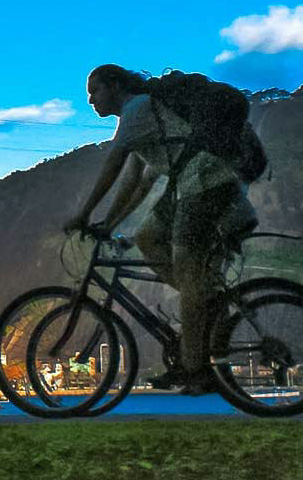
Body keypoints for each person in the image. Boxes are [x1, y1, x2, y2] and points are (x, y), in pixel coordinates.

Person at [65, 64, 257, 395]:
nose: (91, 100)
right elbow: (135, 182)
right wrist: (107, 224)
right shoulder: (142, 119)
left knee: (190, 278)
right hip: (191, 185)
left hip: (206, 183)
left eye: (94, 91)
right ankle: (204, 304)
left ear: (115, 85)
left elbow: (115, 164)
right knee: (148, 237)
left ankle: (195, 368)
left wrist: (83, 214)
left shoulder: (138, 108)